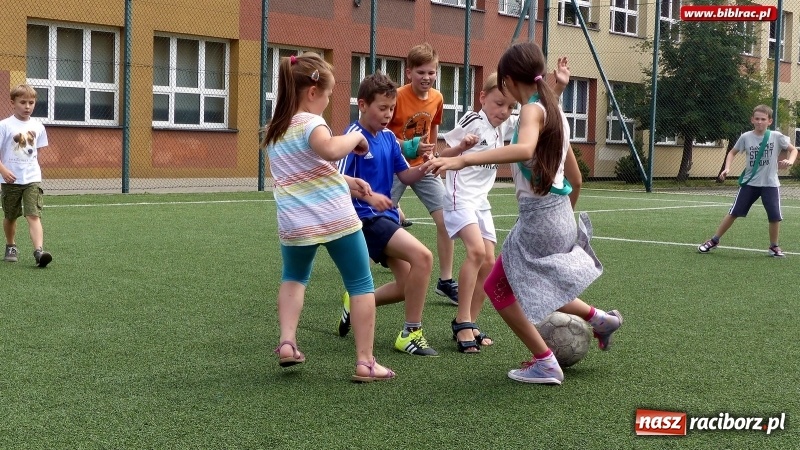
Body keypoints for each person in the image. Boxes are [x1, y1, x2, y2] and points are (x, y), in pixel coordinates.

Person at [422, 42, 623, 384]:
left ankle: (545, 360)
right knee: (536, 285)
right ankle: (600, 319)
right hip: (560, 213)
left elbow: (526, 148)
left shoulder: (533, 110)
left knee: (498, 289)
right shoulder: (554, 110)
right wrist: (562, 219)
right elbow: (575, 179)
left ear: (511, 79)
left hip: (541, 217)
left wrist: (462, 159)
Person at [260, 52, 394, 382]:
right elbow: (330, 150)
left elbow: (303, 173)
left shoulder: (276, 130)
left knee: (293, 277)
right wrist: (357, 137)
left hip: (295, 222)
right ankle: (365, 362)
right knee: (361, 283)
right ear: (312, 92)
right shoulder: (312, 122)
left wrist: (348, 182)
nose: (328, 101)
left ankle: (288, 342)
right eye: (329, 94)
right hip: (334, 219)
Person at [337, 71, 477, 356]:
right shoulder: (352, 137)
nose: (388, 114)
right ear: (362, 105)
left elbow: (406, 175)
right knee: (423, 257)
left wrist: (427, 166)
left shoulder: (389, 138)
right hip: (363, 219)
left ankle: (356, 301)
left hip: (384, 218)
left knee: (405, 286)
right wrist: (368, 196)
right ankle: (411, 333)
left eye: (391, 109)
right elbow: (334, 181)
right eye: (382, 108)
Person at [439, 60, 573, 353]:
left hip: (480, 202)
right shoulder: (473, 121)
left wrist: (559, 87)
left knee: (488, 261)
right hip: (459, 196)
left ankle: (471, 322)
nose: (504, 111)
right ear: (482, 98)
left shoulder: (507, 124)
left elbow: (540, 112)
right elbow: (443, 153)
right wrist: (460, 150)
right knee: (475, 252)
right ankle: (461, 321)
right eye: (498, 103)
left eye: (510, 106)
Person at [388, 43, 459, 305]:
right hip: (394, 167)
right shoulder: (396, 97)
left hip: (423, 166)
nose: (426, 77)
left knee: (447, 218)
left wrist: (430, 153)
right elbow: (382, 135)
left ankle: (446, 281)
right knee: (376, 220)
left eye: (431, 72)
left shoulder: (437, 98)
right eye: (421, 72)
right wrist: (408, 147)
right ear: (409, 73)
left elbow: (432, 127)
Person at [698, 104, 797, 257]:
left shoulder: (776, 136)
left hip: (771, 184)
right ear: (752, 120)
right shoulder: (746, 137)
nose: (759, 122)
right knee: (734, 212)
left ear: (769, 121)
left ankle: (774, 246)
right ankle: (714, 240)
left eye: (763, 119)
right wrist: (727, 168)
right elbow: (732, 152)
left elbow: (793, 149)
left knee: (775, 216)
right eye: (756, 119)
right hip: (750, 184)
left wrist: (790, 161)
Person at [1, 84, 52, 267]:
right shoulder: (5, 126)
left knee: (33, 214)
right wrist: (3, 170)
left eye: (31, 102)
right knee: (11, 216)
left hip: (32, 178)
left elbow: (36, 152)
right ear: (13, 102)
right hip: (10, 180)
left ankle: (39, 252)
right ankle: (11, 245)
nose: (27, 106)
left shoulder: (37, 127)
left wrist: (35, 171)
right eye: (23, 102)